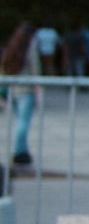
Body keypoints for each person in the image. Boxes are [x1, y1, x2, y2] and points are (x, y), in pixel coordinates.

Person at [3, 23, 44, 169]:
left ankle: (23, 149)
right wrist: (38, 86)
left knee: (20, 120)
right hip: (26, 89)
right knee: (24, 122)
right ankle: (20, 151)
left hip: (13, 89)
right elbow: (36, 69)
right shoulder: (30, 48)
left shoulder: (12, 47)